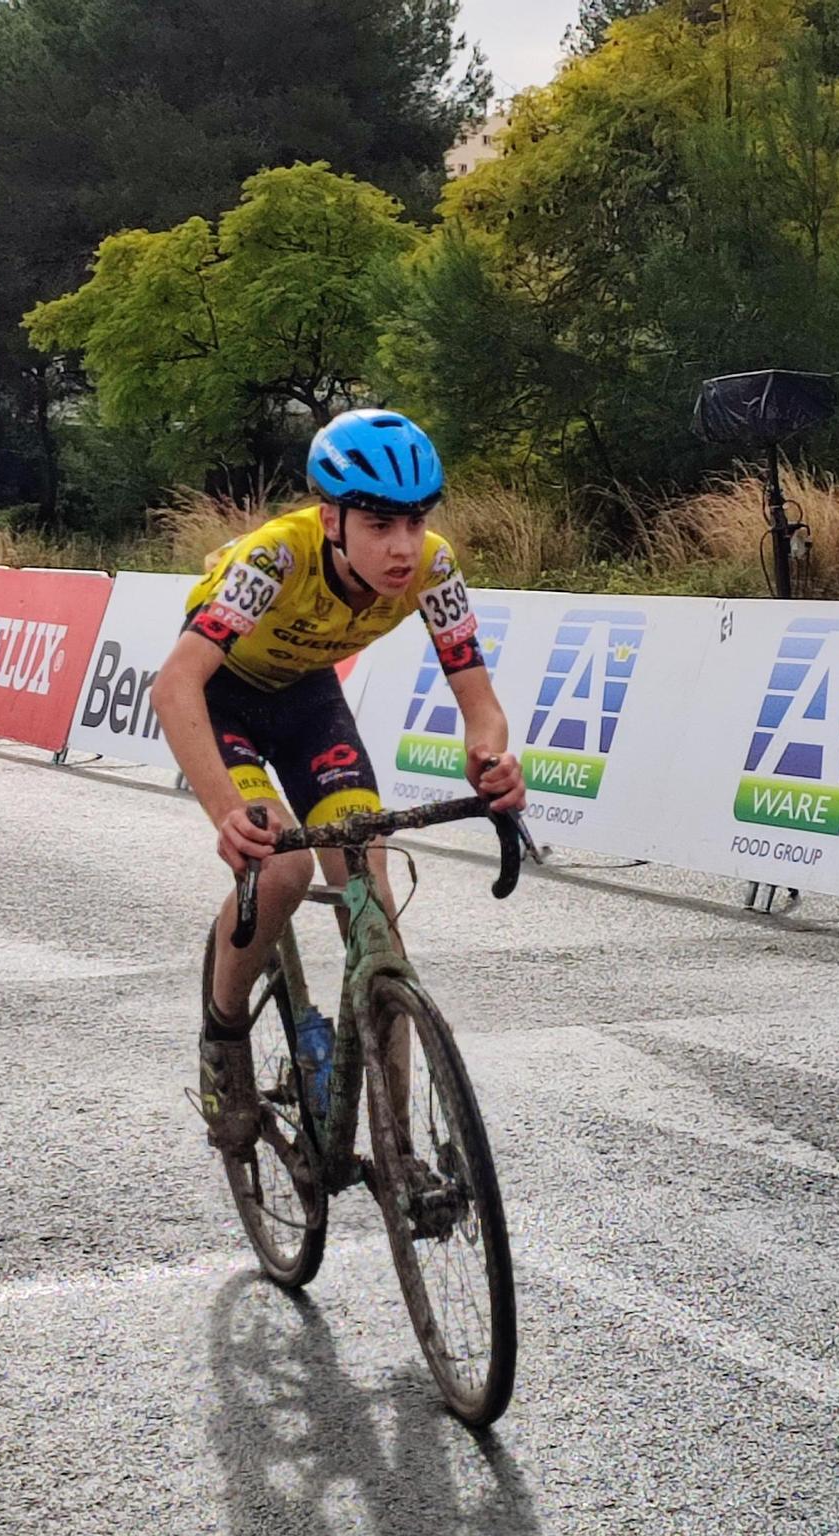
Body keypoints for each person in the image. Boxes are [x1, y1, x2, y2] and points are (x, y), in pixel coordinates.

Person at [151, 409, 526, 1158]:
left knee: (372, 900)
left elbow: (479, 704)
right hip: (222, 697)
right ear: (331, 518)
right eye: (381, 524)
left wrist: (490, 760)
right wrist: (229, 814)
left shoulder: (434, 567)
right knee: (282, 867)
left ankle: (396, 1151)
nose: (403, 546)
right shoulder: (276, 560)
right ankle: (224, 1037)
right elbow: (174, 686)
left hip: (307, 703)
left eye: (416, 521)